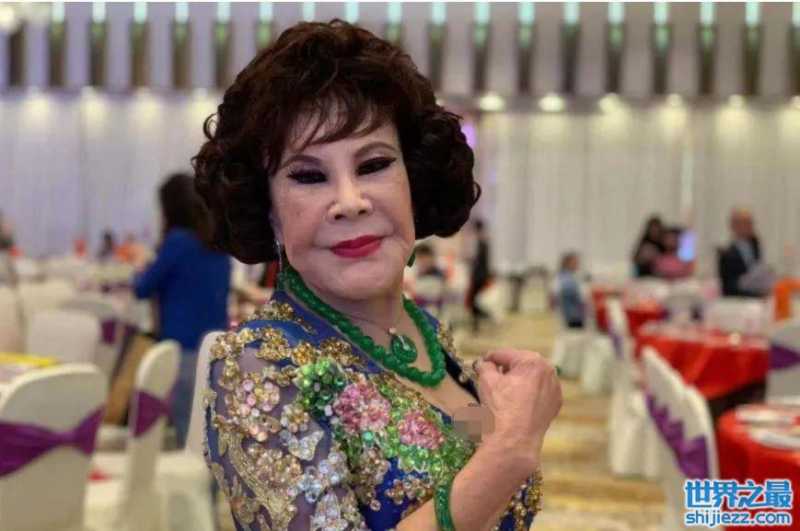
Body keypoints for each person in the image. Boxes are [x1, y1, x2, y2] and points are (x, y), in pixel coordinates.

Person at [194, 20, 561, 531]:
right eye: (309, 176)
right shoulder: (257, 367)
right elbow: (494, 467)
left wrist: (504, 417)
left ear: (413, 180)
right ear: (268, 209)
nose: (350, 201)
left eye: (373, 165)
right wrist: (509, 452)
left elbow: (467, 468)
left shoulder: (422, 331)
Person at [132, 173, 232, 448]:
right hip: (217, 349)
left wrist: (139, 268)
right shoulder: (218, 244)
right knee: (210, 437)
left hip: (182, 349)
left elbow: (142, 288)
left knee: (187, 435)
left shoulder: (177, 242)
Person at [718, 208, 765, 297]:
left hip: (757, 297)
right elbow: (726, 287)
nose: (749, 226)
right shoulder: (726, 252)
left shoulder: (755, 244)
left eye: (750, 223)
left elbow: (758, 268)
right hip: (737, 299)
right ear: (733, 225)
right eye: (745, 223)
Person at [467, 219, 491, 332]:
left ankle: (485, 317)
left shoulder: (482, 244)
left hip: (479, 277)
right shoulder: (482, 243)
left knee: (474, 301)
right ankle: (476, 324)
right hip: (479, 276)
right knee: (474, 301)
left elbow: (481, 264)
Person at [412, 243, 446, 316]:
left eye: (424, 259)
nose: (421, 263)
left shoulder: (438, 276)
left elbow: (434, 293)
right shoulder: (419, 274)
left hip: (433, 315)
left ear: (432, 258)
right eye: (419, 259)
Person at [556, 252, 585, 328]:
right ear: (567, 263)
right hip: (573, 316)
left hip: (573, 315)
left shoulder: (568, 276)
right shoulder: (566, 278)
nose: (577, 264)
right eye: (575, 262)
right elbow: (572, 295)